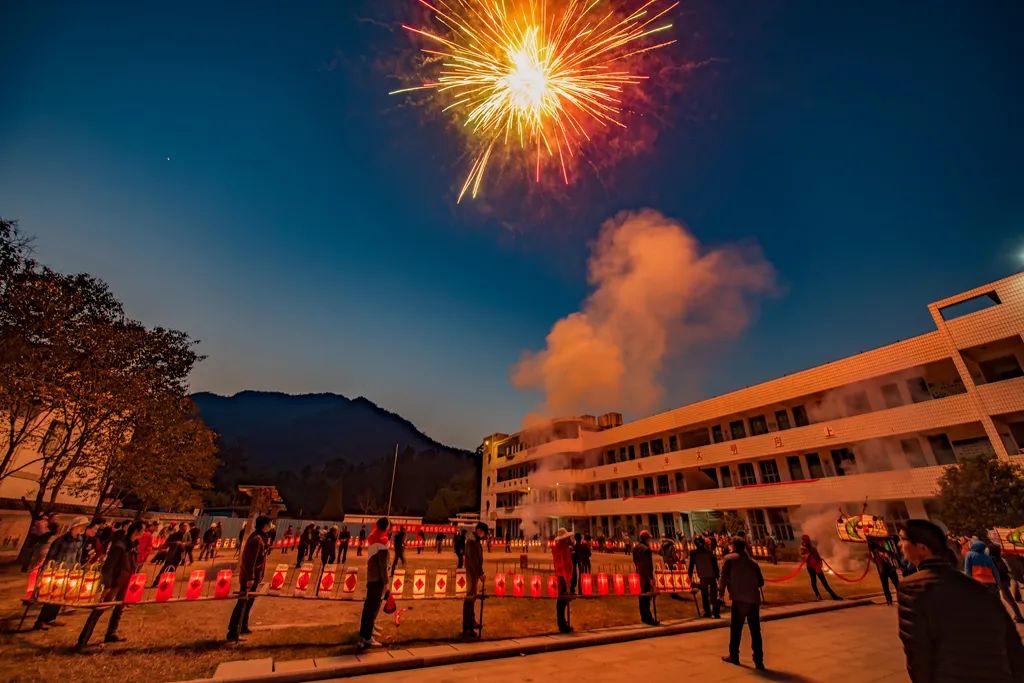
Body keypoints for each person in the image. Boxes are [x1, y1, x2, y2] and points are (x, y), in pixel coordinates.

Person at [897, 519, 1024, 682]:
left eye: (903, 539)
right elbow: (1013, 646)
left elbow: (918, 654)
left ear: (922, 548)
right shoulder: (977, 588)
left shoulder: (913, 587)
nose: (899, 545)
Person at [75, 521, 143, 650]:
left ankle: (111, 633)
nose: (143, 533)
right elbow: (109, 567)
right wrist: (107, 585)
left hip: (125, 581)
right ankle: (82, 640)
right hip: (114, 582)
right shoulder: (119, 546)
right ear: (136, 531)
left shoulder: (133, 546)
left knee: (119, 608)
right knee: (99, 609)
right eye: (142, 530)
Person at [33, 516, 89, 630]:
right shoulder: (61, 540)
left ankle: (51, 618)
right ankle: (41, 620)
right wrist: (47, 570)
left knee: (61, 597)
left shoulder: (80, 540)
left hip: (70, 572)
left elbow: (78, 556)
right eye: (82, 526)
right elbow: (51, 556)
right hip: (57, 572)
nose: (83, 528)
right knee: (52, 597)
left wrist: (77, 569)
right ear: (75, 526)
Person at [719, 537, 766, 671]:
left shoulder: (729, 559)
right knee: (755, 631)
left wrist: (720, 593)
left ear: (733, 546)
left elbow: (723, 578)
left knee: (736, 629)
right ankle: (758, 660)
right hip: (753, 600)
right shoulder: (753, 562)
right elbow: (761, 582)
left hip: (739, 599)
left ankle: (734, 655)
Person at [227, 516, 271, 642]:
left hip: (254, 577)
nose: (271, 526)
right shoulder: (257, 539)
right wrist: (250, 577)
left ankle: (243, 626)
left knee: (249, 602)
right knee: (243, 603)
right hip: (249, 578)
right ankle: (233, 631)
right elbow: (251, 561)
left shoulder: (260, 537)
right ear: (264, 525)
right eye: (269, 524)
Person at [358, 517, 390, 649]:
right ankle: (367, 638)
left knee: (368, 608)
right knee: (372, 608)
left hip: (371, 577)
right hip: (377, 579)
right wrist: (386, 582)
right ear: (386, 526)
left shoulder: (372, 536)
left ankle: (365, 633)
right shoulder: (383, 540)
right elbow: (383, 565)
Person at [462, 522, 487, 639]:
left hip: (474, 573)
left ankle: (471, 621)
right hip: (472, 573)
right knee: (469, 599)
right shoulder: (472, 542)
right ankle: (468, 628)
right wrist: (480, 573)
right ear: (479, 530)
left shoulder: (475, 541)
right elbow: (473, 560)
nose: (483, 535)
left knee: (472, 599)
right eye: (483, 532)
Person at [989, 544, 1024, 624]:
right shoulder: (999, 558)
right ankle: (1017, 615)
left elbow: (1002, 569)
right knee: (1006, 598)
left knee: (1008, 598)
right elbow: (1005, 569)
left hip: (1001, 581)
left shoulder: (994, 559)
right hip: (1004, 580)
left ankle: (1019, 616)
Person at [800, 534, 841, 600]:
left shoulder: (811, 547)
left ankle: (833, 596)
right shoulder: (803, 548)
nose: (807, 541)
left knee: (824, 582)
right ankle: (818, 596)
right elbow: (803, 557)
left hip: (816, 566)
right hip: (811, 567)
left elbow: (817, 555)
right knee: (814, 582)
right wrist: (808, 556)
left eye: (807, 539)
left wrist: (819, 561)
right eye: (806, 540)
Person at [688, 536, 721, 618]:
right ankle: (715, 612)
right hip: (712, 575)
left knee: (705, 594)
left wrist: (690, 577)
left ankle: (708, 612)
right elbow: (715, 566)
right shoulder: (710, 553)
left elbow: (691, 566)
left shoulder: (694, 553)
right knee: (713, 594)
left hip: (703, 576)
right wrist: (718, 577)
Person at [633, 530, 659, 626]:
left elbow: (634, 561)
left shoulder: (635, 548)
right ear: (646, 539)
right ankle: (648, 618)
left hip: (639, 574)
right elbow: (649, 565)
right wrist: (651, 578)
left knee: (641, 596)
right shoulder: (647, 550)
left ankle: (643, 616)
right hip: (646, 576)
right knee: (647, 597)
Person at [552, 528, 574, 633]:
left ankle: (562, 623)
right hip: (564, 577)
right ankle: (563, 625)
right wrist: (568, 580)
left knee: (561, 601)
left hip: (559, 576)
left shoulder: (556, 548)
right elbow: (565, 565)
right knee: (563, 601)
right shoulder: (564, 549)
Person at [152, 522, 187, 587]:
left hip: (179, 555)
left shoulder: (187, 535)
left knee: (173, 570)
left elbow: (190, 543)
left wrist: (183, 557)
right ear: (180, 527)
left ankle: (167, 584)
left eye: (186, 526)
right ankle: (156, 582)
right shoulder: (174, 534)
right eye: (184, 526)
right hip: (172, 554)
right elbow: (167, 543)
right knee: (164, 568)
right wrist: (176, 543)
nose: (185, 527)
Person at [868, 538, 901, 606]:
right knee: (886, 586)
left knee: (896, 584)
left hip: (889, 568)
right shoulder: (875, 548)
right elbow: (872, 555)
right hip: (883, 569)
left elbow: (892, 552)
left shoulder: (886, 544)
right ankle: (889, 600)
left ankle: (898, 599)